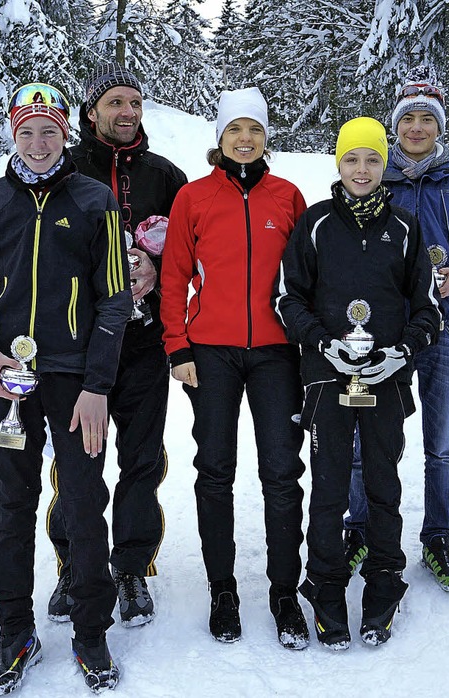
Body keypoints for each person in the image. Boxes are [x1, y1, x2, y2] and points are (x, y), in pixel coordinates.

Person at [0, 83, 131, 694]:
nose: (37, 142)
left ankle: (90, 632)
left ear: (64, 134)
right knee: (13, 505)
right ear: (13, 135)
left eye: (48, 130)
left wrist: (98, 383)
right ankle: (15, 631)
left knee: (83, 504)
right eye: (26, 130)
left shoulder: (94, 201)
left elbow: (115, 296)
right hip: (12, 380)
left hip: (76, 381)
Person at [274, 116, 442, 648]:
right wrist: (323, 344)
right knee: (326, 487)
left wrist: (400, 352)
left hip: (386, 379)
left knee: (382, 483)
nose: (362, 169)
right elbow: (289, 298)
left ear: (383, 164)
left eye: (372, 158)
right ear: (338, 164)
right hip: (327, 378)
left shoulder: (406, 227)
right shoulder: (317, 223)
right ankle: (325, 587)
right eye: (352, 159)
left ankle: (384, 583)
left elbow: (428, 307)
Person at [343, 66, 449, 592]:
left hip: (445, 331)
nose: (417, 128)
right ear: (396, 126)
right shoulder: (375, 178)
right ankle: (362, 529)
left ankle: (438, 537)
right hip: (386, 334)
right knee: (366, 437)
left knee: (441, 443)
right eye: (408, 119)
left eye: (427, 120)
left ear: (440, 127)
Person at [160, 87, 309, 649]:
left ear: (267, 137)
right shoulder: (193, 199)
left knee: (281, 473)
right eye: (234, 130)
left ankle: (283, 590)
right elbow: (173, 277)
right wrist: (178, 347)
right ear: (219, 139)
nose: (244, 139)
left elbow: (305, 276)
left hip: (276, 354)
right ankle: (222, 588)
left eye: (255, 130)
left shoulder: (288, 197)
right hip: (211, 355)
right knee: (215, 471)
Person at [45, 63, 187, 628]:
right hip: (77, 348)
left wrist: (156, 267)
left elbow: (193, 255)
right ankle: (75, 565)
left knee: (142, 459)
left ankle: (129, 566)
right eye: (115, 101)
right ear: (91, 109)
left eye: (135, 101)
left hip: (145, 343)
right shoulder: (65, 168)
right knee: (77, 463)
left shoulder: (166, 176)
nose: (126, 111)